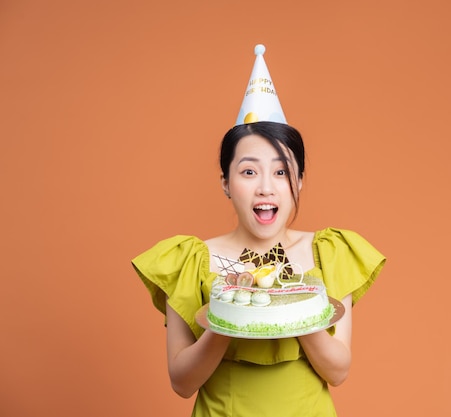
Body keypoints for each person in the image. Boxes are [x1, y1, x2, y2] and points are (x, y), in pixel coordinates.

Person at [131, 45, 385, 417]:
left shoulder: (329, 252)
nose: (266, 186)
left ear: (298, 179)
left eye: (281, 172)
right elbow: (182, 383)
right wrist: (228, 315)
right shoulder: (192, 259)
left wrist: (295, 303)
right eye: (249, 171)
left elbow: (338, 370)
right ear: (225, 182)